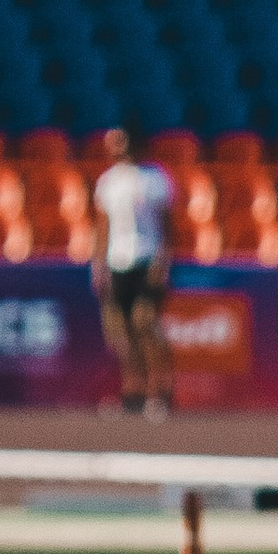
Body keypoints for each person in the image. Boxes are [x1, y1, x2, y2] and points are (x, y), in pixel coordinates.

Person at [89, 129, 176, 419]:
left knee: (145, 322)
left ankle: (160, 390)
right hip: (118, 261)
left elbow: (166, 225)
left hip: (146, 259)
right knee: (121, 331)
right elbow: (103, 227)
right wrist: (98, 263)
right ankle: (133, 390)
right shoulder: (108, 182)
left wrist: (163, 262)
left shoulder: (155, 179)